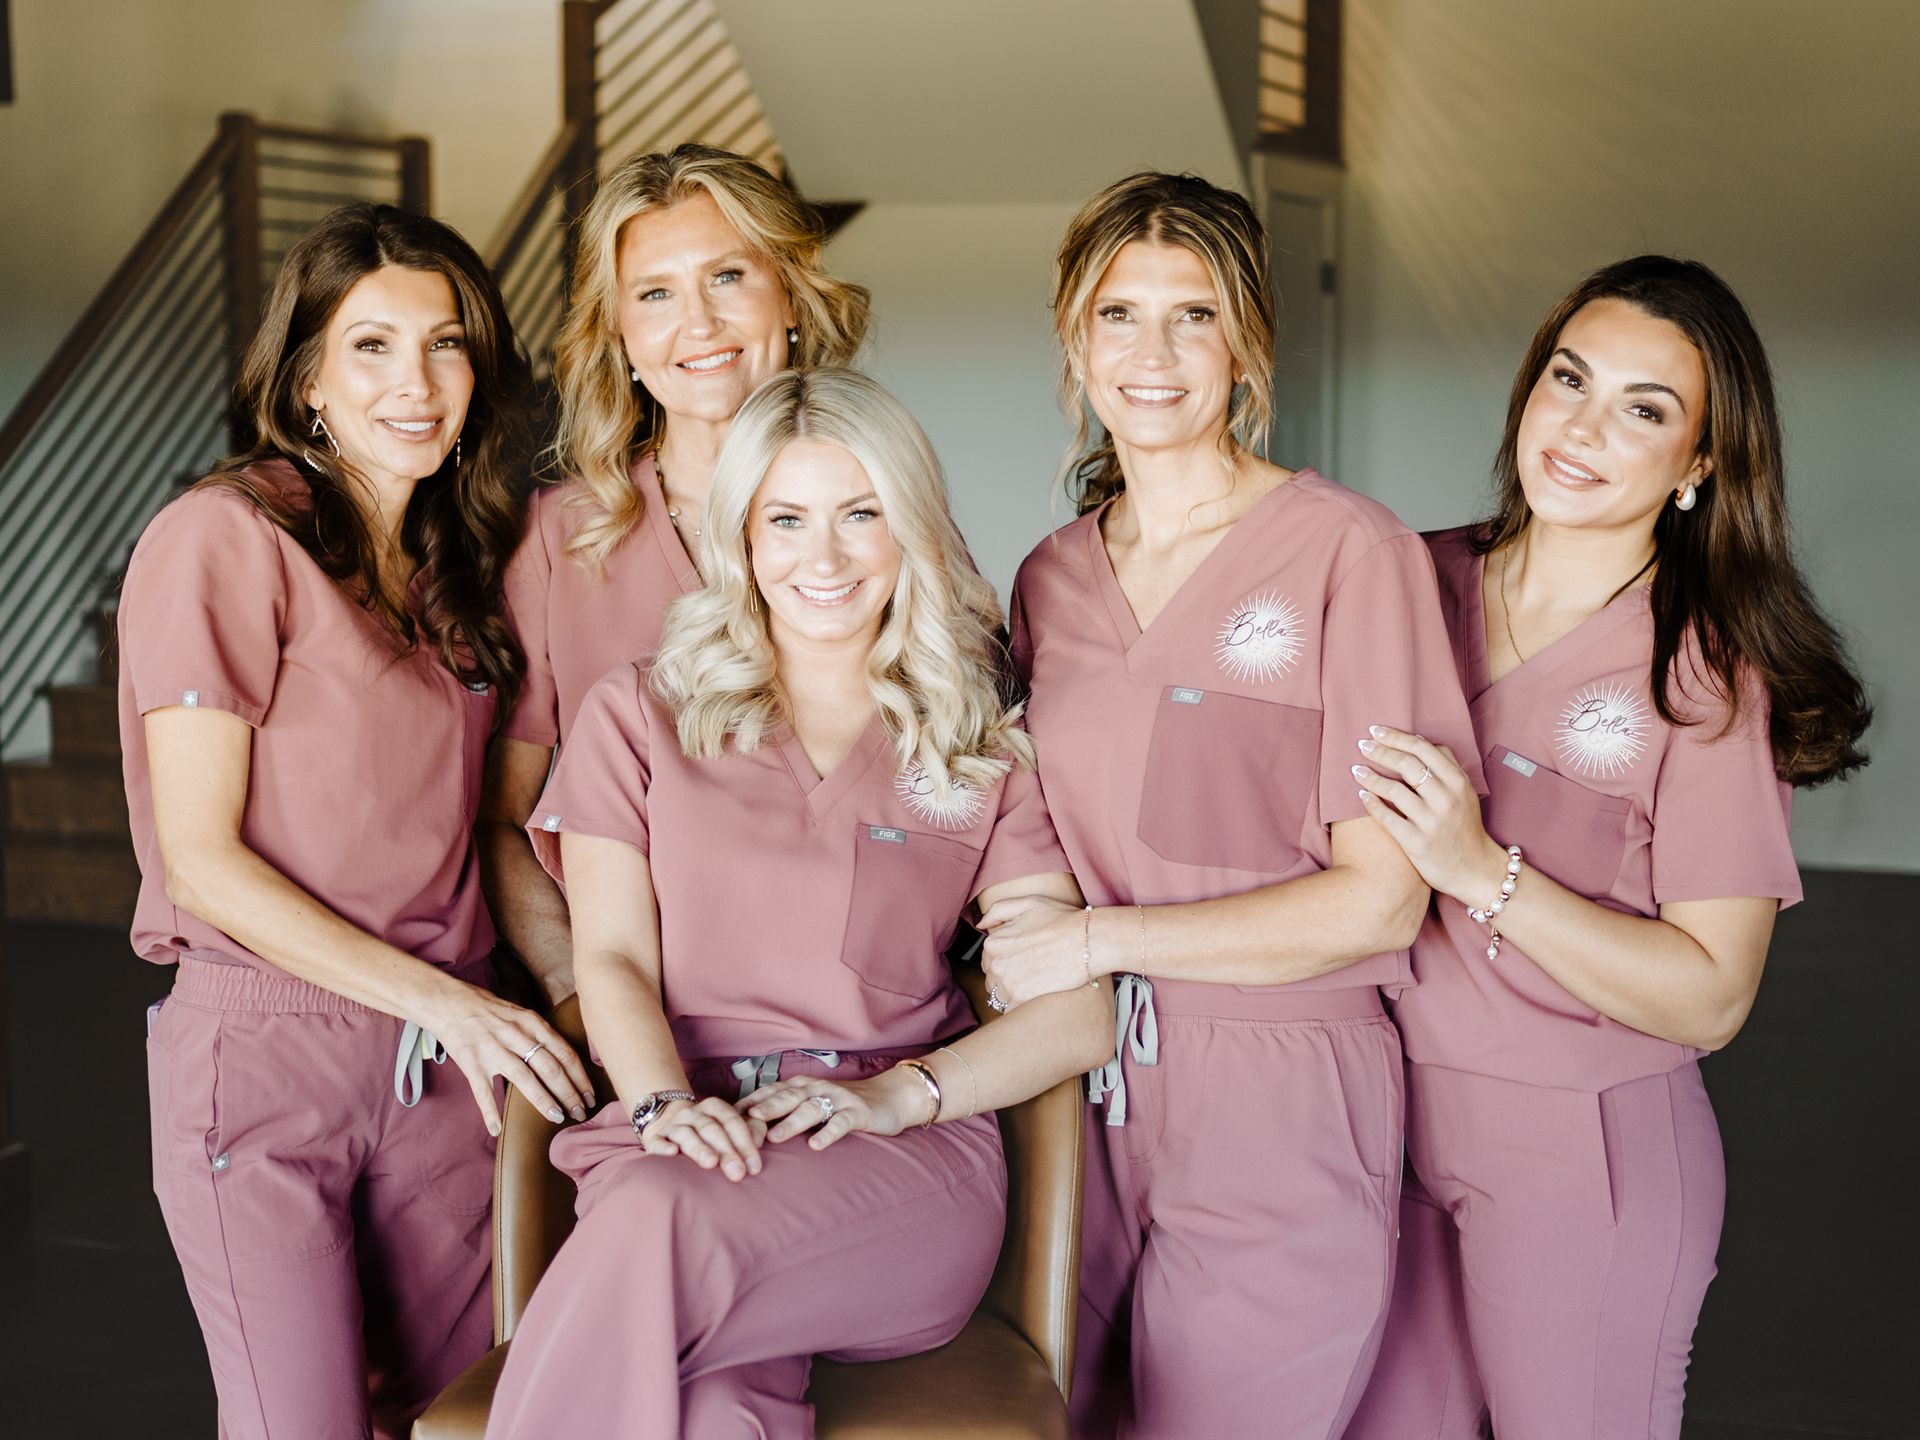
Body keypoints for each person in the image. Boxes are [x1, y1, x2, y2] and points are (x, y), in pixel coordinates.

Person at [482, 368, 1115, 1438]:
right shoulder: (636, 715)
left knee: (651, 1224)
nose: (821, 559)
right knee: (711, 1405)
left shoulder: (975, 746)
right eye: (786, 519)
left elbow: (1075, 1014)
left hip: (894, 1166)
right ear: (740, 535)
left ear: (908, 525)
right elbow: (616, 966)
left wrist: (897, 1097)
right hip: (682, 1130)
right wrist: (659, 1110)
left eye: (860, 514)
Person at [987, 171, 1483, 1438]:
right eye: (1118, 315)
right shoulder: (1049, 578)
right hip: (1080, 1077)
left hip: (1282, 1080)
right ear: (1072, 336)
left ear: (1248, 340)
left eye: (1193, 316)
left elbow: (1382, 901)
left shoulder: (1348, 554)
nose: (1151, 355)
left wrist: (1099, 942)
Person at [1345, 256, 1871, 1439]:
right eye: (1567, 381)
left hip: (1581, 1153)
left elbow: (1713, 994)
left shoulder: (1702, 678)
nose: (1582, 429)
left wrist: (1485, 872)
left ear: (1700, 467)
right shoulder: (1404, 583)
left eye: (1643, 409)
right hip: (1373, 1123)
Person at [120, 203, 594, 1440]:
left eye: (445, 345)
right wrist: (450, 1005)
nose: (418, 382)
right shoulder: (223, 539)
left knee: (466, 1415)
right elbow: (201, 860)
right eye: (372, 346)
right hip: (270, 1055)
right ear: (308, 377)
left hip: (448, 1064)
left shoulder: (464, 566)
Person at [481, 143, 870, 1007]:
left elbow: (966, 772)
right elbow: (503, 822)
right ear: (619, 336)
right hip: (630, 1018)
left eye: (728, 276)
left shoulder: (888, 510)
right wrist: (577, 988)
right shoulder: (560, 537)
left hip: (856, 1018)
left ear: (791, 297)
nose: (698, 324)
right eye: (656, 293)